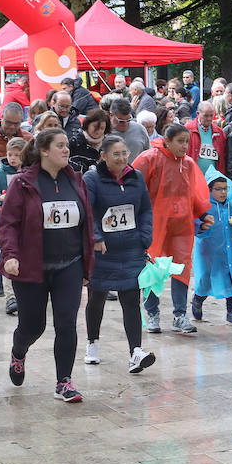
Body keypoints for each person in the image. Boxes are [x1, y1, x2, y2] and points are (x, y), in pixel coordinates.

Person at [0, 128, 95, 403]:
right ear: (43, 151)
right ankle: (19, 351)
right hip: (31, 267)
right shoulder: (23, 183)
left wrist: (90, 256)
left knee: (66, 322)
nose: (66, 150)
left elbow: (85, 221)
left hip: (70, 265)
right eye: (60, 146)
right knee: (33, 326)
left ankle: (64, 382)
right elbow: (7, 225)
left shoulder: (76, 180)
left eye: (66, 145)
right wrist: (11, 255)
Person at [84, 134, 157, 372]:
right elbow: (86, 211)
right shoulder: (92, 179)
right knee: (97, 298)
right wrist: (95, 237)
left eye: (124, 153)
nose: (122, 158)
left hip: (131, 249)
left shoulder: (135, 177)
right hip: (103, 252)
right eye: (116, 154)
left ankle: (135, 351)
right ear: (103, 156)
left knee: (131, 300)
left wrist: (145, 236)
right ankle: (92, 342)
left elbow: (145, 208)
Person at [134, 123, 212, 334]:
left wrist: (204, 214)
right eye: (180, 141)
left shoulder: (187, 164)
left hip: (181, 226)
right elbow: (133, 186)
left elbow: (196, 193)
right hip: (155, 225)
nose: (185, 146)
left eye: (187, 141)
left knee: (181, 269)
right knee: (153, 269)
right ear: (167, 141)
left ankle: (180, 315)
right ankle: (152, 314)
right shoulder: (150, 158)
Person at [192, 167, 232, 326]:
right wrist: (203, 227)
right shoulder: (204, 207)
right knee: (205, 279)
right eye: (218, 189)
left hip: (229, 254)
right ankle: (198, 299)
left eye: (225, 189)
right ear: (209, 189)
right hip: (208, 253)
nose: (223, 193)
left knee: (231, 279)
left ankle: (231, 311)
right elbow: (195, 227)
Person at [0, 137, 27, 311]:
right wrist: (0, 197)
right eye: (10, 154)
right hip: (3, 218)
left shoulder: (29, 172)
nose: (13, 158)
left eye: (17, 155)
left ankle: (22, 292)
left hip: (24, 220)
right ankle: (7, 293)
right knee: (3, 253)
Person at [189, 101, 227, 176]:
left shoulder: (219, 132)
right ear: (198, 114)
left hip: (214, 179)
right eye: (206, 116)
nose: (209, 119)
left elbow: (223, 156)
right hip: (193, 177)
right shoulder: (188, 130)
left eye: (211, 115)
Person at [68, 109, 109, 175]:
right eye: (95, 127)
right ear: (87, 124)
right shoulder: (75, 142)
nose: (98, 131)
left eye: (102, 128)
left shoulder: (108, 145)